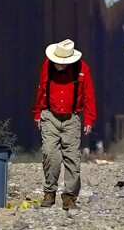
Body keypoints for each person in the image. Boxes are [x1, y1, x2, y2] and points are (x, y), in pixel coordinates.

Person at [31, 39, 97, 209]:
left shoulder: (83, 69)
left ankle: (69, 196)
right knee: (50, 153)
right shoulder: (46, 66)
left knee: (72, 158)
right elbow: (41, 90)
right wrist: (37, 112)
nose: (59, 65)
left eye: (63, 63)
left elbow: (89, 95)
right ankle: (49, 192)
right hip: (50, 115)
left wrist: (89, 119)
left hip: (72, 117)